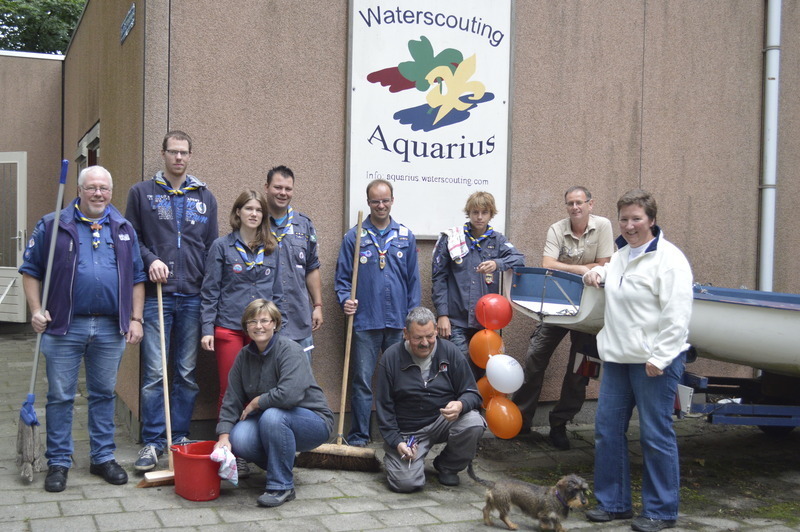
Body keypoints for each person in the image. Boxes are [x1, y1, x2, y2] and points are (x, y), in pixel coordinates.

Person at [20, 165, 147, 492]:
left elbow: (136, 277)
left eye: (104, 188)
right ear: (79, 189)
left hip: (109, 328)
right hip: (63, 327)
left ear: (110, 192)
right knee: (60, 396)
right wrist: (36, 311)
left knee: (104, 394)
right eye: (91, 187)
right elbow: (31, 271)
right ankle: (59, 461)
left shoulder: (123, 228)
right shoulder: (53, 225)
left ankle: (103, 457)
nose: (98, 193)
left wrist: (136, 318)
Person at [583, 189, 692, 532]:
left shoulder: (669, 260)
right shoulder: (620, 256)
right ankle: (614, 504)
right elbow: (610, 280)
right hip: (617, 358)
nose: (629, 226)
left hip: (653, 361)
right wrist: (595, 274)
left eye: (636, 219)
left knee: (655, 434)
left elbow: (677, 316)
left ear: (652, 220)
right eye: (624, 219)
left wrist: (661, 357)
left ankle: (661, 510)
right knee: (606, 431)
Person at [125, 130, 219, 472]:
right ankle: (152, 441)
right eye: (173, 152)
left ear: (190, 156)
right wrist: (151, 260)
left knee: (186, 372)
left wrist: (211, 292)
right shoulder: (142, 193)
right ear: (163, 154)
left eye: (184, 152)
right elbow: (130, 237)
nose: (178, 157)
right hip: (156, 298)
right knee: (153, 372)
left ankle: (178, 436)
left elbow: (212, 248)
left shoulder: (205, 196)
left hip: (193, 296)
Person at [511, 186, 614, 450]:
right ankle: (520, 421)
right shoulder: (557, 228)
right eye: (570, 203)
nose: (575, 207)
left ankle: (560, 424)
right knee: (535, 358)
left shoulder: (603, 226)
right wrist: (582, 269)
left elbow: (606, 264)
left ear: (591, 204)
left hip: (590, 311)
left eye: (580, 202)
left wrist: (567, 267)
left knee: (581, 370)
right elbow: (547, 264)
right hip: (557, 306)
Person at [215, 299, 333, 508]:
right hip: (271, 420)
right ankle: (283, 461)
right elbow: (231, 398)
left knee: (273, 416)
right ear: (246, 327)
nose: (258, 326)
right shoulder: (243, 357)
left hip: (312, 420)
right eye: (252, 321)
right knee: (239, 437)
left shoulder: (290, 350)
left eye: (264, 320)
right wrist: (223, 436)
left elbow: (290, 395)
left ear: (275, 324)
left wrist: (257, 402)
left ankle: (282, 486)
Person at [334, 179, 421, 447]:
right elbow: (342, 280)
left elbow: (413, 282)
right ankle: (359, 436)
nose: (380, 205)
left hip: (398, 324)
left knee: (401, 382)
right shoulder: (355, 236)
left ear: (392, 200)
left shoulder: (405, 236)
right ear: (368, 202)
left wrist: (413, 322)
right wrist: (344, 300)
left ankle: (398, 435)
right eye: (375, 201)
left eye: (385, 200)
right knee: (362, 383)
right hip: (364, 322)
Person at [375, 307, 485, 493]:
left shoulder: (450, 351)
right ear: (406, 334)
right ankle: (395, 458)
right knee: (406, 484)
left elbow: (472, 393)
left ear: (435, 331)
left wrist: (460, 404)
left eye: (430, 336)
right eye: (418, 337)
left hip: (443, 421)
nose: (425, 343)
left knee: (473, 422)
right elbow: (384, 408)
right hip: (409, 433)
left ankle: (448, 465)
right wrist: (396, 441)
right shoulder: (391, 358)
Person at [200, 190, 282, 411]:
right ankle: (226, 442)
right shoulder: (221, 246)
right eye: (249, 208)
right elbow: (210, 291)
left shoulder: (272, 249)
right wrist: (207, 328)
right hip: (229, 327)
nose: (254, 214)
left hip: (262, 329)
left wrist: (278, 329)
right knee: (231, 388)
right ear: (238, 212)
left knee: (261, 389)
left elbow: (277, 295)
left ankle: (254, 441)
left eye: (258, 210)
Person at [432, 191, 525, 379]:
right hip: (455, 319)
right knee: (461, 365)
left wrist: (497, 264)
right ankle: (463, 405)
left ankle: (478, 406)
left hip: (486, 322)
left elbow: (519, 259)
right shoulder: (452, 238)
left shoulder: (497, 240)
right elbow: (438, 278)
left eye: (484, 212)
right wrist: (442, 315)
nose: (479, 217)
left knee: (486, 367)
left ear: (491, 214)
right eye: (475, 212)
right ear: (468, 213)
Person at [263, 166, 323, 359]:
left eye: (288, 189)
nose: (283, 193)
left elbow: (312, 268)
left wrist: (318, 306)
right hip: (264, 318)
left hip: (299, 317)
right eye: (278, 187)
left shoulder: (304, 224)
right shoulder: (256, 222)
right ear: (267, 187)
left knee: (301, 377)